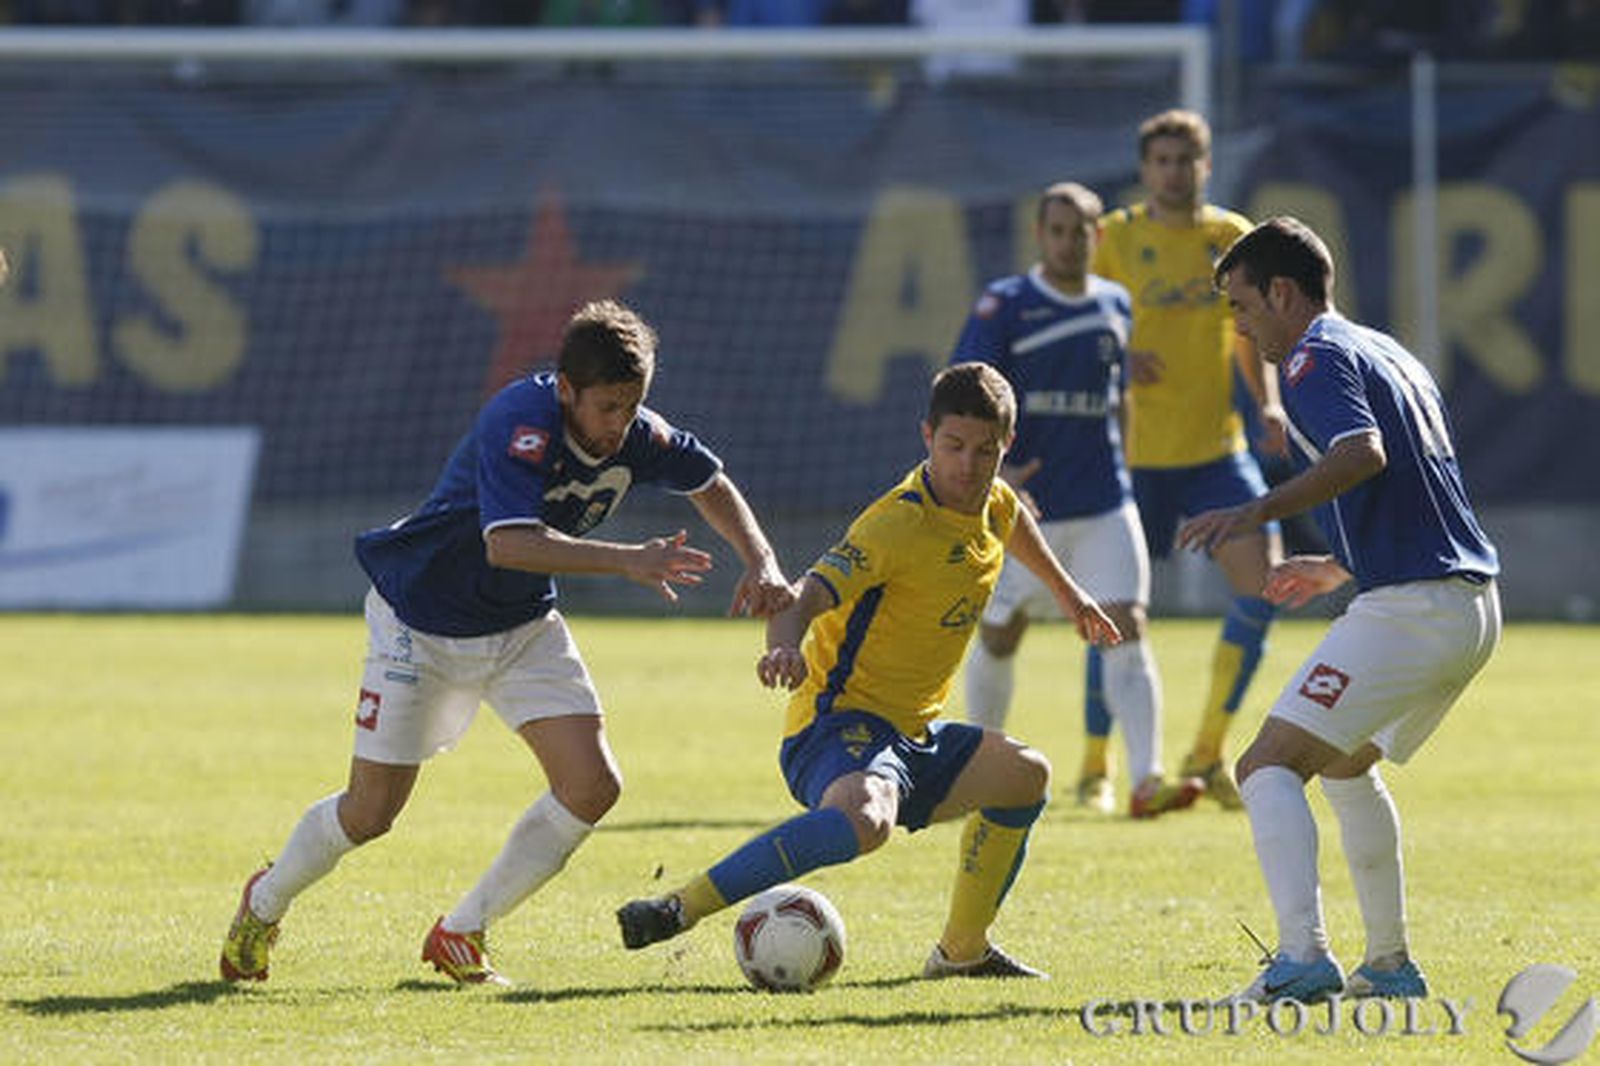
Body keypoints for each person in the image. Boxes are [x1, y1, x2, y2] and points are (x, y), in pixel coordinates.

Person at [220, 299, 795, 986]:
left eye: (632, 404)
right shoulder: (519, 422)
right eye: (606, 407)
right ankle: (264, 901)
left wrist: (762, 562)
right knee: (370, 813)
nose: (620, 425)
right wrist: (628, 559)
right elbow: (508, 544)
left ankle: (462, 931)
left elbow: (709, 480)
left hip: (520, 626)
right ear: (568, 389)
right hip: (422, 621)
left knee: (591, 786)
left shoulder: (638, 433)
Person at [615, 362, 1121, 979]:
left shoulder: (995, 501)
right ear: (926, 436)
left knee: (1025, 775)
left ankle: (961, 953)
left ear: (1006, 446)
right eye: (952, 446)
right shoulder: (896, 523)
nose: (967, 464)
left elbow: (1014, 523)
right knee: (867, 819)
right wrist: (783, 646)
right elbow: (804, 593)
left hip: (909, 735)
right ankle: (677, 907)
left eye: (984, 450)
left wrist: (1071, 597)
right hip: (834, 724)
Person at [1178, 217, 1501, 1002]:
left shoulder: (1313, 358)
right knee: (1348, 766)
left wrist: (1258, 514)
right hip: (1470, 605)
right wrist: (1339, 563)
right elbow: (1416, 486)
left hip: (1414, 612)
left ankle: (1302, 959)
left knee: (1263, 767)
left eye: (1243, 306)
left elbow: (1365, 455)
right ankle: (1388, 965)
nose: (1242, 326)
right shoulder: (1386, 349)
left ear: (1282, 293)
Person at [953, 181, 1195, 819]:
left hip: (1104, 502)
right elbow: (966, 395)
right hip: (1022, 509)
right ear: (1041, 235)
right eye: (1056, 230)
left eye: (1080, 230)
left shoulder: (1117, 303)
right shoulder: (1003, 305)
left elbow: (1117, 400)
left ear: (1098, 236)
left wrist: (1129, 457)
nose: (1068, 241)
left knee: (1127, 627)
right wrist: (998, 477)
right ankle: (982, 768)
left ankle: (1147, 780)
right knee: (1002, 635)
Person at [1091, 107, 1289, 812]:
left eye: (1186, 159)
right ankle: (1096, 765)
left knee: (1263, 588)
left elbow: (1249, 331)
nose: (1174, 172)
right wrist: (1115, 362)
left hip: (1215, 450)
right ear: (1145, 169)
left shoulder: (1230, 237)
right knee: (1110, 609)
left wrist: (1267, 401)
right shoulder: (1114, 237)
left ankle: (1207, 753)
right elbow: (1083, 323)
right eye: (1162, 160)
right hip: (1133, 454)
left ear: (1206, 164)